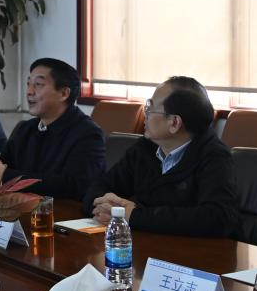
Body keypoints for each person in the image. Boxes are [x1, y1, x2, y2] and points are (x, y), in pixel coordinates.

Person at [83, 76, 238, 237]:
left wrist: (133, 216)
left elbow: (217, 218)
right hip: (143, 243)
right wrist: (103, 207)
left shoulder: (215, 157)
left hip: (193, 250)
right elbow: (101, 185)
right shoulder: (145, 147)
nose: (145, 114)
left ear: (174, 123)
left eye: (150, 108)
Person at [0, 58, 104, 200]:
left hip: (63, 211)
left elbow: (76, 186)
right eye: (28, 84)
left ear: (64, 93)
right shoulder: (25, 129)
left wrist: (6, 175)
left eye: (38, 84)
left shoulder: (88, 134)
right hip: (20, 207)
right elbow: (3, 162)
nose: (29, 91)